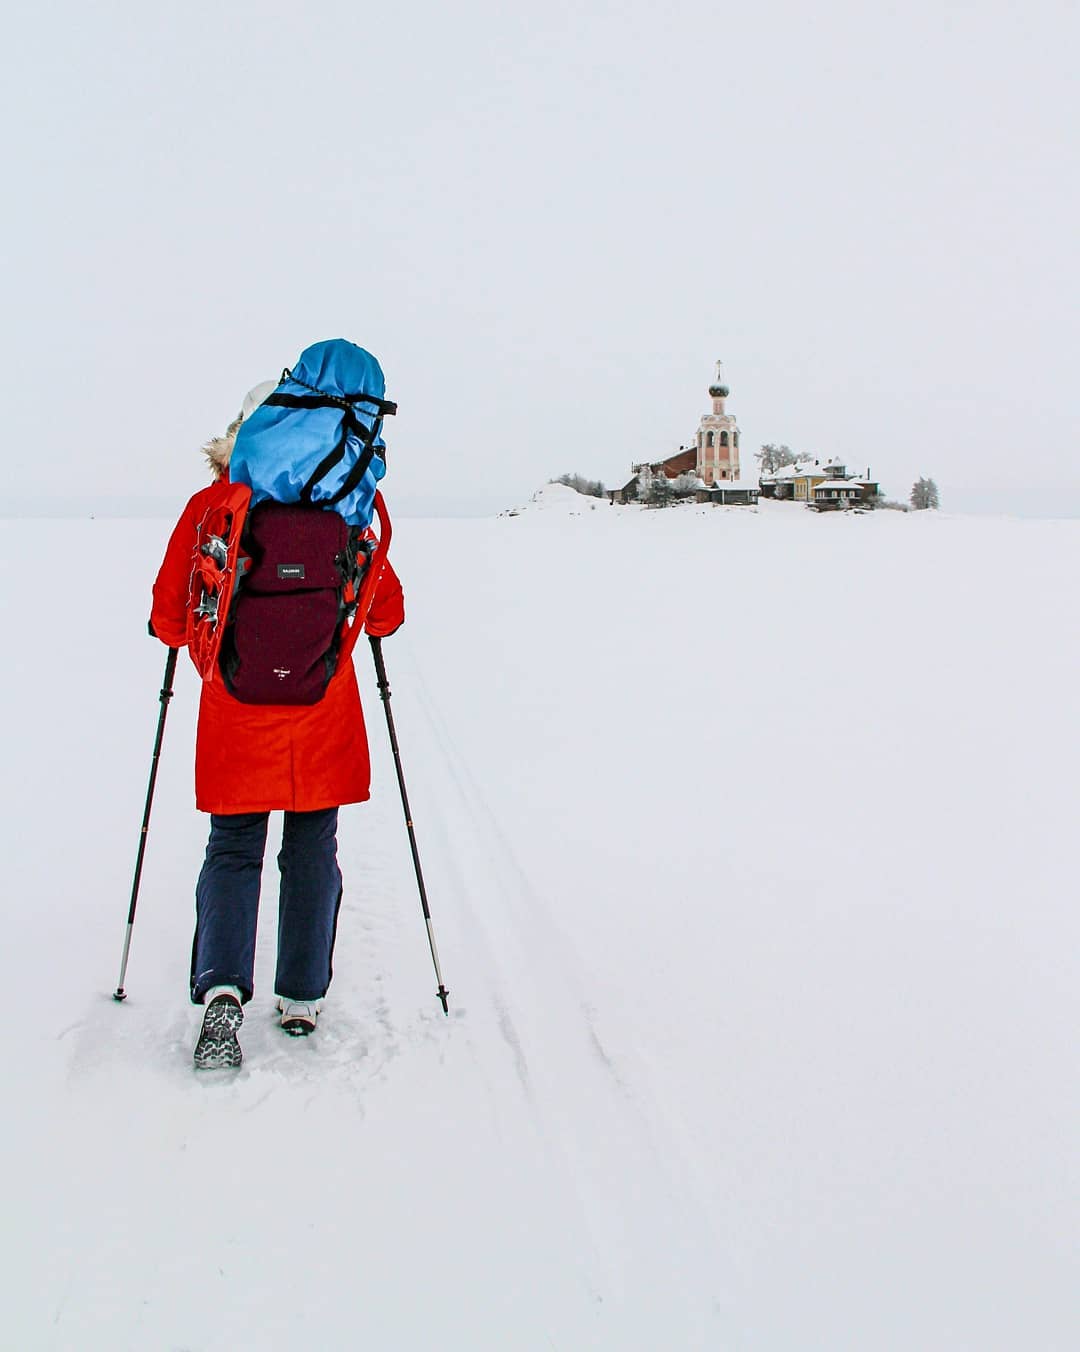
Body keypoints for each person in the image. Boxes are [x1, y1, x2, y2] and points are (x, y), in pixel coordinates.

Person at [149, 369, 404, 1069]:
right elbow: (387, 610)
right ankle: (300, 996)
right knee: (312, 849)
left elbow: (170, 615)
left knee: (233, 850)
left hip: (237, 715)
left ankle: (223, 992)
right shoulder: (349, 506)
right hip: (321, 715)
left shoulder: (215, 504)